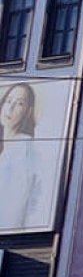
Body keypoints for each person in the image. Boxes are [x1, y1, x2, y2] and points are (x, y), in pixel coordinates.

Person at [0, 83, 41, 230]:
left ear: (27, 111)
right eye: (8, 101)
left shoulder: (25, 149)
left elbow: (17, 205)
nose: (10, 108)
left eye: (19, 103)